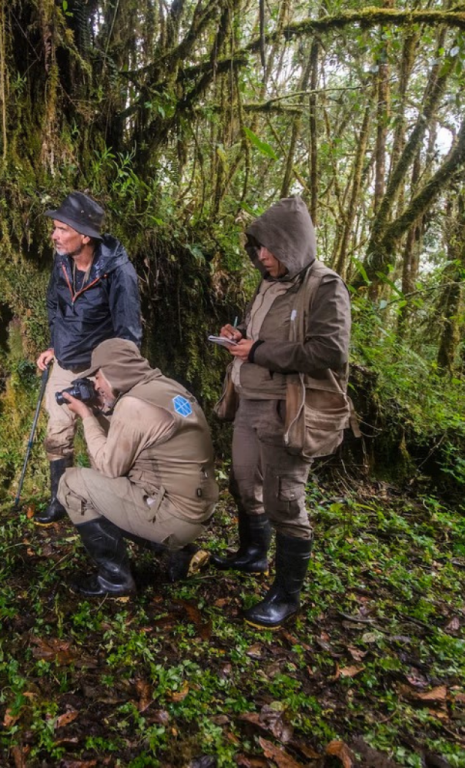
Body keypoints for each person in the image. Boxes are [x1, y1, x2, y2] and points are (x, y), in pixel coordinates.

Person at [212, 196, 352, 629]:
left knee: (283, 499)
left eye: (269, 248)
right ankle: (253, 554)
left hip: (288, 409)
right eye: (257, 248)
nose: (261, 256)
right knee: (243, 482)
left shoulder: (324, 286)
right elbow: (259, 338)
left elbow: (330, 350)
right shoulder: (268, 283)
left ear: (292, 244)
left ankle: (287, 596)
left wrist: (259, 350)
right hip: (248, 401)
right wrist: (240, 336)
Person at [56, 338, 219, 597]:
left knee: (72, 484)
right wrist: (103, 411)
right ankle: (178, 552)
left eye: (97, 376)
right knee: (110, 491)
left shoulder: (133, 405)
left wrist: (87, 416)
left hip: (176, 516)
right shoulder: (166, 387)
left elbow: (108, 468)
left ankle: (114, 581)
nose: (95, 384)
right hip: (198, 508)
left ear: (112, 372)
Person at [35, 192, 142, 525]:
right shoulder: (62, 260)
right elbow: (55, 306)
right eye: (54, 228)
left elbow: (128, 333)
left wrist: (112, 378)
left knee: (108, 439)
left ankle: (114, 506)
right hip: (66, 362)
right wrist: (57, 345)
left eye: (61, 229)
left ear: (85, 235)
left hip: (100, 367)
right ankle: (59, 500)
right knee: (57, 431)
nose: (54, 235)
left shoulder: (117, 273)